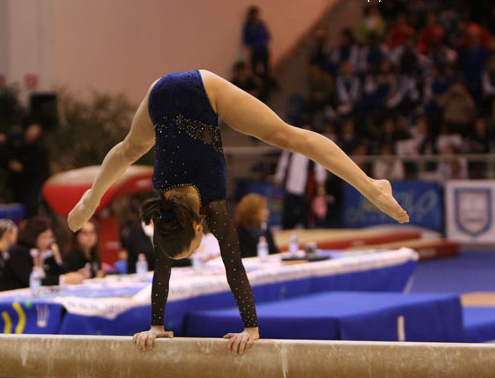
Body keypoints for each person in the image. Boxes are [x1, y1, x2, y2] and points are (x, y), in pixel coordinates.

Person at [67, 69, 409, 355]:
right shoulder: (167, 213)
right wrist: (156, 326)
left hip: (204, 91)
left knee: (287, 137)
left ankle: (371, 186)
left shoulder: (212, 205)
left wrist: (252, 328)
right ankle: (91, 198)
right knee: (131, 148)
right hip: (160, 92)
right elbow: (170, 266)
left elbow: (233, 267)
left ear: (199, 228)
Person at [5, 216, 85, 288]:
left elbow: (59, 272)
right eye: (44, 237)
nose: (48, 241)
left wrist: (74, 274)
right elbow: (31, 280)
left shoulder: (46, 253)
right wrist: (63, 279)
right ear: (33, 236)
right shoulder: (19, 253)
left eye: (50, 237)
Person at [234, 194, 278, 258]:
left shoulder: (265, 230)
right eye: (263, 208)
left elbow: (275, 253)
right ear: (252, 211)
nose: (267, 212)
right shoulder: (238, 233)